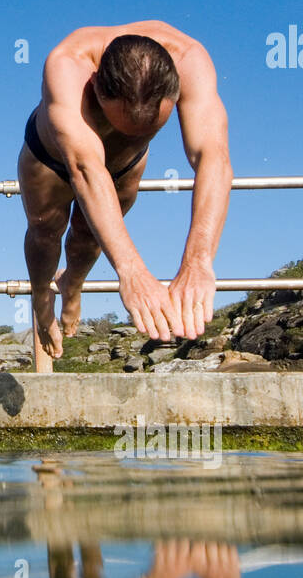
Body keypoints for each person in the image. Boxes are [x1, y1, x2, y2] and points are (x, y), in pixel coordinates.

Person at [18, 21, 231, 359]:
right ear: (97, 88)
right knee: (46, 229)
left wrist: (198, 262)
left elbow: (213, 159)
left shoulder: (190, 59)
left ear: (175, 91)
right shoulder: (68, 63)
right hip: (52, 156)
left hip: (125, 165)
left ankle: (72, 283)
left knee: (88, 237)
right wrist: (131, 272)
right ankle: (41, 294)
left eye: (147, 128)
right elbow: (86, 170)